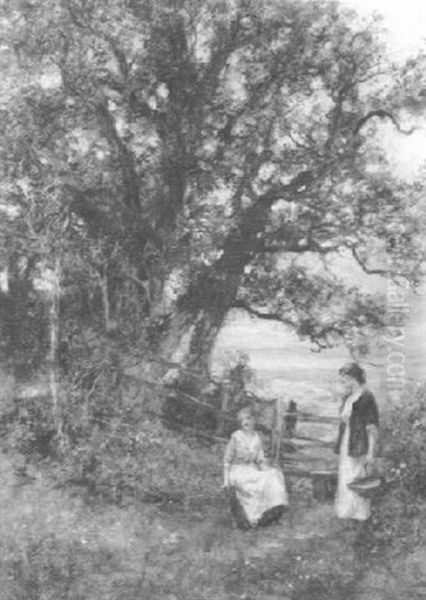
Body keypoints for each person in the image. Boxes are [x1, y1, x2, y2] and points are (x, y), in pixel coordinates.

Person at [223, 406, 288, 528]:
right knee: (254, 484)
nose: (247, 422)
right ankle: (253, 518)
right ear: (240, 422)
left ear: (254, 421)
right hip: (238, 471)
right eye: (244, 420)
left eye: (249, 419)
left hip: (252, 469)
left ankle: (273, 510)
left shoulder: (257, 438)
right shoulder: (236, 437)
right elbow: (227, 461)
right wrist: (226, 481)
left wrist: (267, 467)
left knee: (274, 474)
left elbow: (260, 459)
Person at [334, 362, 379, 521]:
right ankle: (346, 512)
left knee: (358, 477)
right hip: (347, 441)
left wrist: (371, 452)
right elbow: (345, 422)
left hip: (360, 444)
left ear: (353, 378)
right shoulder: (347, 397)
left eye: (344, 379)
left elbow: (371, 427)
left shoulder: (366, 397)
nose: (343, 382)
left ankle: (360, 514)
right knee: (346, 475)